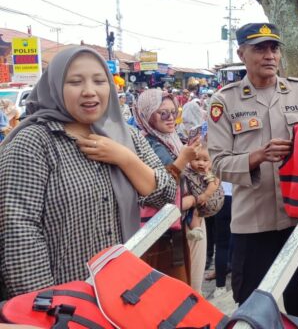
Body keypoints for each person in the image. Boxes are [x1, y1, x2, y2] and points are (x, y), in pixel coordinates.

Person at [0, 47, 176, 298]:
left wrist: (124, 158)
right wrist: (49, 309)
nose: (90, 91)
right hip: (67, 306)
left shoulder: (127, 137)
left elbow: (166, 195)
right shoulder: (34, 143)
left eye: (99, 80)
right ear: (55, 87)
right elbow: (20, 236)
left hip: (123, 296)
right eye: (75, 81)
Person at [207, 23, 298, 314]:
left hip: (297, 220)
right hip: (253, 224)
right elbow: (217, 164)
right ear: (241, 53)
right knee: (251, 309)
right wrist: (256, 157)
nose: (270, 55)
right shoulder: (223, 101)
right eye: (260, 48)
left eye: (274, 48)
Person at [134, 89, 202, 285]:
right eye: (163, 113)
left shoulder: (170, 141)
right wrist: (183, 161)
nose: (171, 118)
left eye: (175, 112)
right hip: (159, 233)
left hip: (175, 228)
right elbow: (159, 189)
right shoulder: (146, 145)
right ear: (147, 114)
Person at [181, 146, 223, 293]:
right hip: (194, 206)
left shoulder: (209, 173)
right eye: (197, 159)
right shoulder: (189, 172)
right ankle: (196, 229)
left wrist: (204, 196)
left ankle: (196, 229)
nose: (201, 163)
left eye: (205, 160)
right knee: (194, 214)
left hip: (203, 202)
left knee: (197, 214)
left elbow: (214, 185)